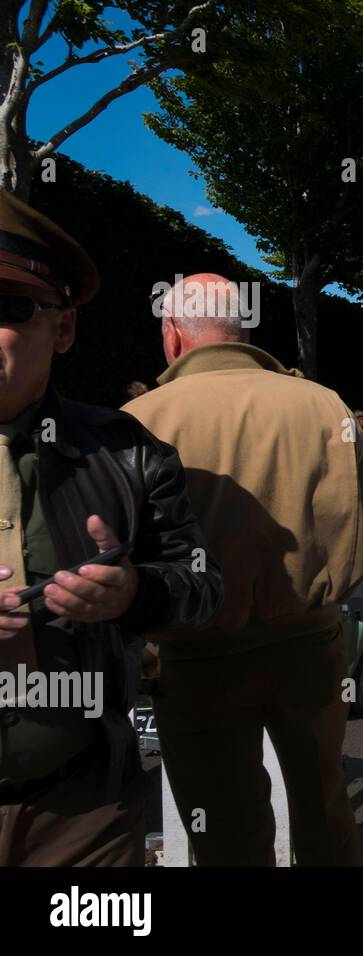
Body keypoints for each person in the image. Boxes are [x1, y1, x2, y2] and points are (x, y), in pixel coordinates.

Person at [126, 272, 363, 866]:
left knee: (225, 833)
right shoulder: (324, 405)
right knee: (325, 811)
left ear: (173, 337)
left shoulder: (138, 418)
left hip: (193, 658)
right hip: (309, 644)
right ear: (243, 331)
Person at [0, 192, 220, 866]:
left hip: (81, 814)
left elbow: (201, 588)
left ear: (62, 329)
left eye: (7, 307)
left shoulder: (127, 450)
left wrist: (134, 595)